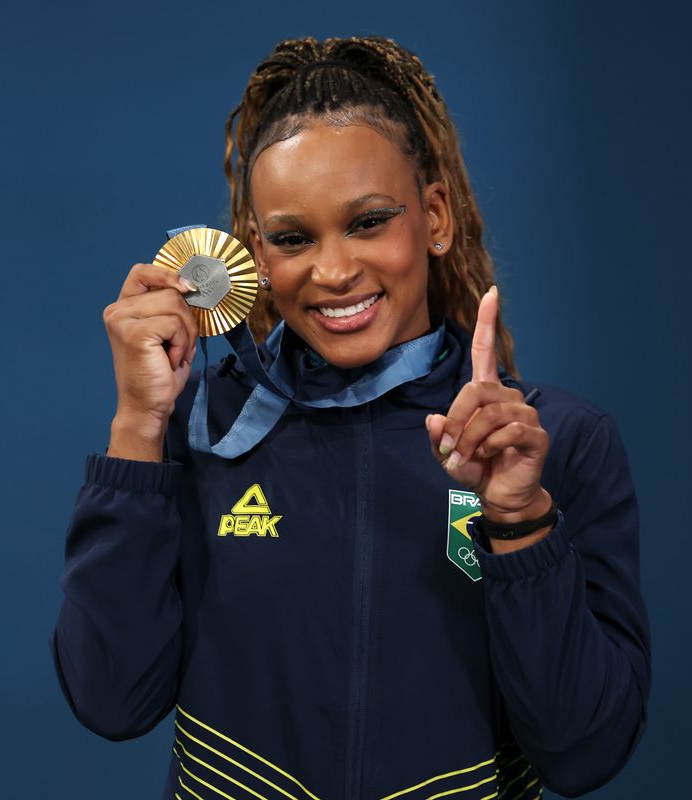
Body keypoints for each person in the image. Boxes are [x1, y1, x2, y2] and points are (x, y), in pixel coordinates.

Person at [50, 35, 650, 800]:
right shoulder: (199, 431)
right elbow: (111, 701)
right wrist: (137, 427)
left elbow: (585, 755)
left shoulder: (548, 443)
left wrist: (519, 522)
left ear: (434, 217)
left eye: (367, 221)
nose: (333, 271)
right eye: (295, 238)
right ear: (257, 258)